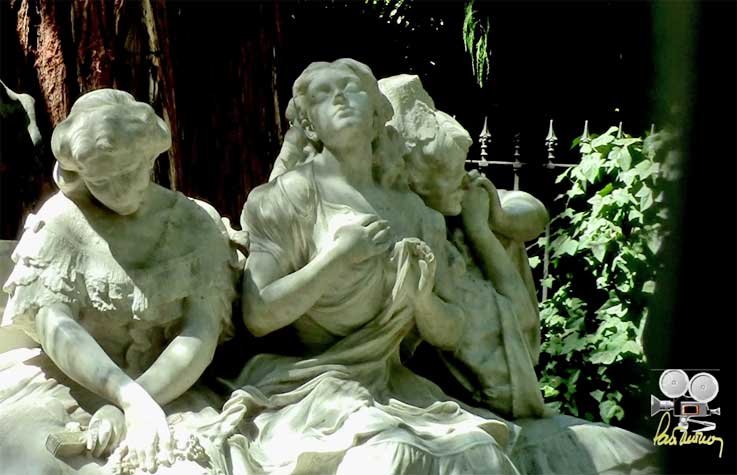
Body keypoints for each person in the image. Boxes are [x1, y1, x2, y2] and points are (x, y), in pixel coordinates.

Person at [224, 58, 521, 475]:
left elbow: (452, 331)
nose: (339, 98)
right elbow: (258, 314)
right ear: (309, 127)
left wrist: (421, 301)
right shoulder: (284, 200)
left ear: (379, 114)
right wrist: (337, 258)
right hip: (309, 384)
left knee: (481, 454)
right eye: (323, 94)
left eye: (351, 88)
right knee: (391, 456)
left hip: (388, 381)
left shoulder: (416, 215)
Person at [381, 73, 657, 474]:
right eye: (454, 173)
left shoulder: (459, 211)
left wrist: (491, 222)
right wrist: (481, 233)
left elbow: (532, 212)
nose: (466, 179)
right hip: (461, 400)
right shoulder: (430, 244)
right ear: (416, 180)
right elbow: (521, 321)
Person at [0, 89, 237, 474]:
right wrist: (126, 397)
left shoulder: (193, 223)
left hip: (169, 387)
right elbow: (55, 324)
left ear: (149, 157)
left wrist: (136, 402)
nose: (119, 190)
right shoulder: (60, 221)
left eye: (129, 172)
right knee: (34, 461)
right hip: (72, 383)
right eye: (101, 180)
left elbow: (200, 331)